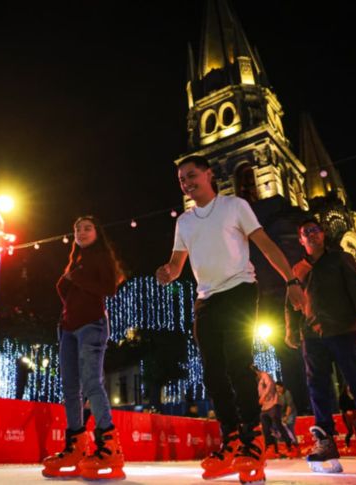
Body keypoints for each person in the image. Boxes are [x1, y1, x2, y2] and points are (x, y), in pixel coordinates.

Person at [155, 156, 305, 483]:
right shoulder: (185, 222)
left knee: (238, 364)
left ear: (209, 175)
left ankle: (253, 439)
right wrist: (167, 273)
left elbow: (265, 244)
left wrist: (291, 282)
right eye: (181, 179)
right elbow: (177, 264)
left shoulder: (234, 206)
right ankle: (231, 439)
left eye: (191, 175)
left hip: (239, 288)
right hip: (205, 299)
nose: (186, 182)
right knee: (213, 371)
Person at [285, 218, 356, 474]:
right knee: (317, 386)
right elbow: (290, 301)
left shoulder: (340, 259)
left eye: (314, 231)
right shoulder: (297, 270)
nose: (311, 235)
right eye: (305, 233)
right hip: (312, 334)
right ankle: (325, 440)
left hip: (342, 329)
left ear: (322, 235)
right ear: (301, 240)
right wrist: (290, 328)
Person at [42, 216, 126, 479]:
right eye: (77, 229)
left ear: (97, 232)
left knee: (91, 382)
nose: (81, 232)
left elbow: (109, 288)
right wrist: (72, 280)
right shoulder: (75, 260)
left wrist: (76, 278)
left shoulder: (99, 257)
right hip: (67, 327)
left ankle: (108, 444)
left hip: (92, 325)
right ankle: (76, 444)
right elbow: (65, 289)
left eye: (87, 228)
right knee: (70, 388)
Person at [256, 368, 296, 459]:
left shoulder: (264, 375)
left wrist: (263, 397)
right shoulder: (258, 381)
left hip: (273, 404)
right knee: (265, 428)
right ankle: (271, 448)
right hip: (265, 407)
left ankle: (290, 445)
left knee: (278, 425)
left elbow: (270, 385)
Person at [339, 385, 356, 453]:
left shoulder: (354, 395)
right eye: (348, 387)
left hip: (354, 414)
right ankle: (347, 445)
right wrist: (346, 410)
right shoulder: (342, 396)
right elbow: (341, 406)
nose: (349, 388)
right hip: (346, 414)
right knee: (350, 431)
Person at [276, 381, 299, 449]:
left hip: (291, 412)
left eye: (279, 388)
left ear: (282, 387)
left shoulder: (287, 393)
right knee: (279, 428)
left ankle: (295, 444)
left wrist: (286, 416)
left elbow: (289, 406)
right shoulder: (275, 395)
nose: (278, 389)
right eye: (276, 388)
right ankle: (284, 445)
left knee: (289, 426)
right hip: (282, 413)